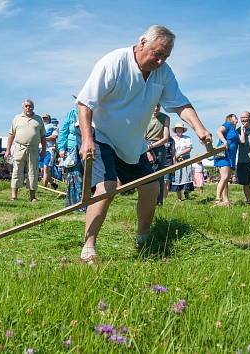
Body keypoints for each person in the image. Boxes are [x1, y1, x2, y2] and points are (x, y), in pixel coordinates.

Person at [75, 25, 212, 262]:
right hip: (102, 135)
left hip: (131, 142)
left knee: (151, 188)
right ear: (141, 42)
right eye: (157, 54)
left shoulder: (164, 73)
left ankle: (144, 241)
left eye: (165, 56)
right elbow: (85, 102)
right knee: (106, 188)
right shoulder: (114, 62)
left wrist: (200, 129)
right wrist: (87, 139)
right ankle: (88, 248)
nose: (160, 61)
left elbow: (179, 104)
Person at [4, 99, 47, 202]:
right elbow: (11, 135)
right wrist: (7, 149)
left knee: (33, 171)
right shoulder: (16, 118)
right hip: (19, 148)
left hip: (33, 149)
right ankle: (14, 196)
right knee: (16, 171)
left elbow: (43, 136)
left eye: (30, 106)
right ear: (23, 107)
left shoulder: (38, 119)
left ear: (33, 107)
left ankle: (32, 197)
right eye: (26, 106)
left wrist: (44, 150)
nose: (28, 108)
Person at [57, 105, 85, 209]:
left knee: (87, 175)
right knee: (75, 175)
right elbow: (64, 131)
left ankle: (87, 201)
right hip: (72, 149)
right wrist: (61, 148)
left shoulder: (95, 111)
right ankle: (75, 202)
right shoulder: (72, 113)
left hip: (89, 147)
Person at [145, 105, 170, 204]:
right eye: (154, 106)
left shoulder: (165, 118)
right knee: (145, 174)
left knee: (158, 175)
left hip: (158, 147)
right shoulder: (144, 116)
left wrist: (151, 146)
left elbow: (166, 138)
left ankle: (158, 202)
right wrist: (147, 150)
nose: (156, 108)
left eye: (158, 106)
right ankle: (146, 201)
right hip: (144, 146)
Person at [213, 114, 239, 207]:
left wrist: (243, 129)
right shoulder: (228, 125)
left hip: (231, 157)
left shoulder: (235, 130)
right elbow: (218, 131)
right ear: (230, 119)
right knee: (224, 177)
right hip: (224, 155)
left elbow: (242, 141)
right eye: (234, 117)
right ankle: (217, 199)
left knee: (227, 178)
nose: (236, 118)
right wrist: (224, 141)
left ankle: (226, 200)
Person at [170, 122, 193, 201]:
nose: (179, 130)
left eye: (181, 129)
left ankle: (187, 193)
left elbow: (189, 148)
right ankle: (179, 198)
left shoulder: (187, 138)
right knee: (177, 177)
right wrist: (175, 157)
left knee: (187, 176)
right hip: (176, 160)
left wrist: (179, 154)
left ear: (183, 130)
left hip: (185, 159)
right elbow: (171, 149)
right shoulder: (172, 139)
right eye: (178, 129)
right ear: (175, 130)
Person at [39, 113, 59, 189]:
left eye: (46, 118)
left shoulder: (54, 127)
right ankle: (53, 184)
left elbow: (54, 137)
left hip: (50, 149)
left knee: (46, 168)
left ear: (49, 118)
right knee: (43, 169)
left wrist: (44, 139)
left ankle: (44, 188)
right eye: (43, 118)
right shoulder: (40, 127)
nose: (44, 119)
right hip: (41, 148)